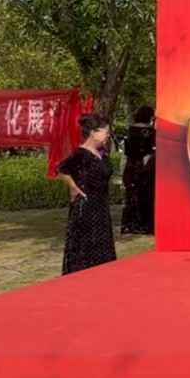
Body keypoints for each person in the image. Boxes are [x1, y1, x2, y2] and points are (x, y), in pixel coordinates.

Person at [55, 114, 117, 275]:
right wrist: (73, 187)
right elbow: (62, 170)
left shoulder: (101, 152)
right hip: (86, 204)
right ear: (93, 133)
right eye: (105, 131)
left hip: (101, 202)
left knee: (101, 239)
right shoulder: (81, 154)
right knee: (87, 242)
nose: (108, 135)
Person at [120, 106, 156, 235]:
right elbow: (152, 151)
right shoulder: (150, 133)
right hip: (145, 166)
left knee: (131, 196)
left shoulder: (129, 131)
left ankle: (130, 224)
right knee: (145, 196)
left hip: (131, 166)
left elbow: (126, 152)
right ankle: (145, 224)